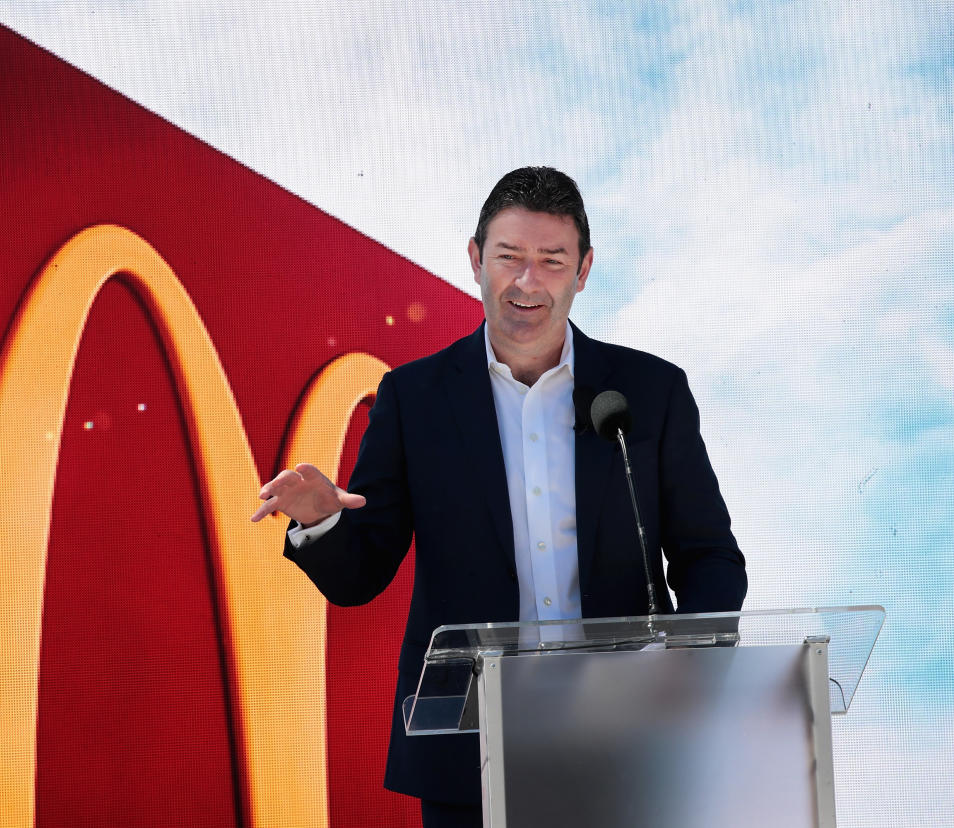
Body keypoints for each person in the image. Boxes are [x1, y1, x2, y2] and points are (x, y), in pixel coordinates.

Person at [250, 166, 747, 828]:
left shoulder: (650, 393)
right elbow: (362, 573)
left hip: (626, 743)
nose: (527, 282)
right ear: (476, 260)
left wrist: (689, 667)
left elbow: (709, 556)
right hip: (470, 754)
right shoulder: (416, 399)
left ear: (584, 269)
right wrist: (318, 522)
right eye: (509, 257)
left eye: (551, 261)